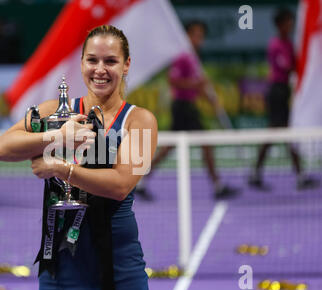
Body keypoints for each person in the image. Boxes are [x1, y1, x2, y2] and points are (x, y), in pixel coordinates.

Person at [0, 25, 157, 290]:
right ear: (81, 63)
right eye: (92, 60)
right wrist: (56, 136)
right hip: (60, 269)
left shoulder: (140, 121)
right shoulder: (54, 111)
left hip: (118, 270)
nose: (100, 69)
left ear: (126, 65)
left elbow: (120, 186)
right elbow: (1, 149)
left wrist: (60, 168)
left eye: (111, 61)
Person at [135, 20, 239, 201]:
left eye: (201, 36)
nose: (199, 39)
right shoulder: (183, 56)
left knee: (171, 148)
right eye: (195, 35)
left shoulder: (193, 58)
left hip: (188, 106)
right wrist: (196, 84)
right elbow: (173, 80)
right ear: (187, 35)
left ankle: (141, 181)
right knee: (203, 144)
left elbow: (198, 86)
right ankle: (217, 185)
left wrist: (210, 100)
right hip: (182, 107)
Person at [248, 8, 318, 191]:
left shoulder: (289, 44)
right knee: (277, 132)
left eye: (291, 21)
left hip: (285, 91)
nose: (290, 25)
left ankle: (295, 174)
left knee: (286, 134)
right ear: (279, 24)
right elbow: (288, 67)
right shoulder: (276, 45)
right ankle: (259, 172)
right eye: (286, 21)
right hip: (277, 92)